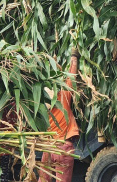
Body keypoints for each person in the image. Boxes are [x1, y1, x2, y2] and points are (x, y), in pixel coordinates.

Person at [38, 48, 80, 182]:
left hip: (48, 147)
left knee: (43, 179)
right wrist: (74, 57)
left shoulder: (42, 107)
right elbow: (71, 77)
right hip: (63, 147)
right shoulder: (63, 98)